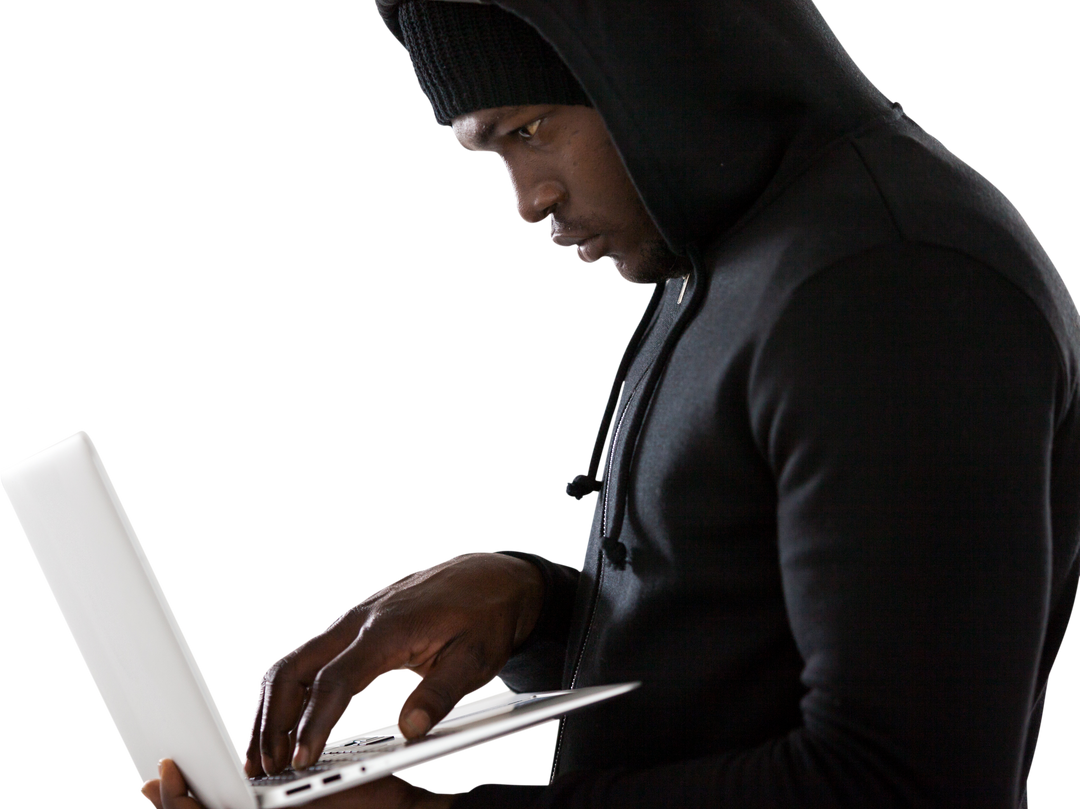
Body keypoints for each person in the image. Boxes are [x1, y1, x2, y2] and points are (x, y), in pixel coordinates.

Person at [140, 1, 1080, 807]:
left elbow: (903, 787)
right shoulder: (749, 253)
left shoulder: (894, 280)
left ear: (653, 56)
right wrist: (537, 607)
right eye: (490, 152)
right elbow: (737, 659)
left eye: (531, 129)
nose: (525, 199)